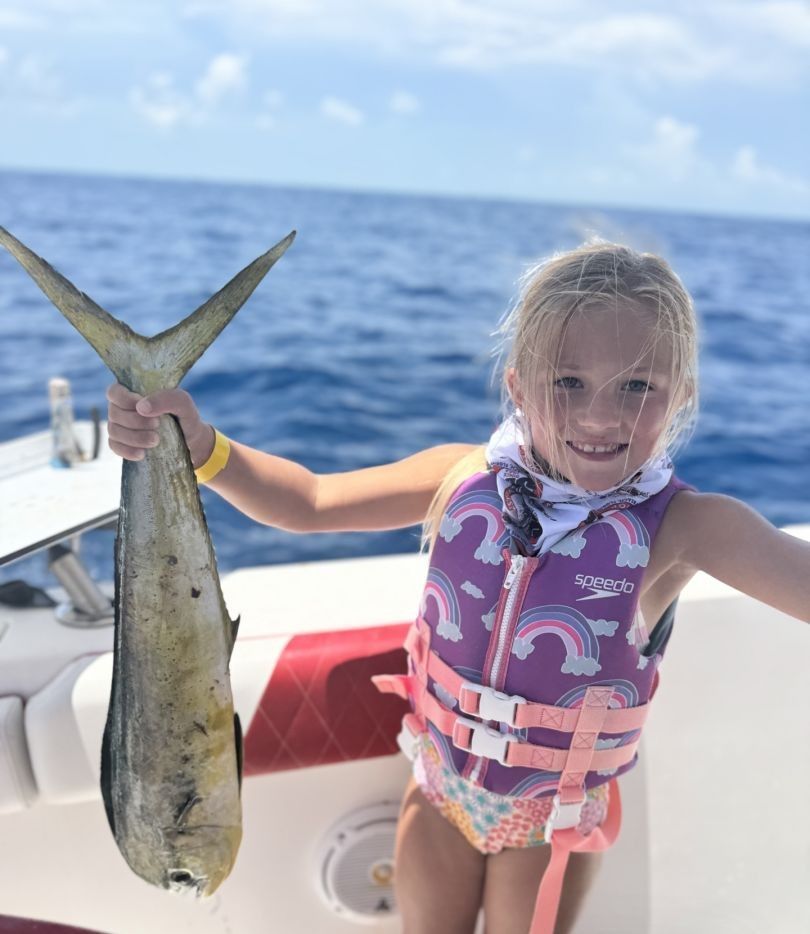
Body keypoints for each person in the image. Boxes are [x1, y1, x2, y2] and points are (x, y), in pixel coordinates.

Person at [106, 241, 810, 934]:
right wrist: (200, 447)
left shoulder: (687, 527)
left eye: (637, 386)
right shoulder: (461, 475)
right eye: (567, 383)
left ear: (680, 395)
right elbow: (310, 502)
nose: (601, 415)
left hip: (548, 826)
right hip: (439, 792)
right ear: (517, 386)